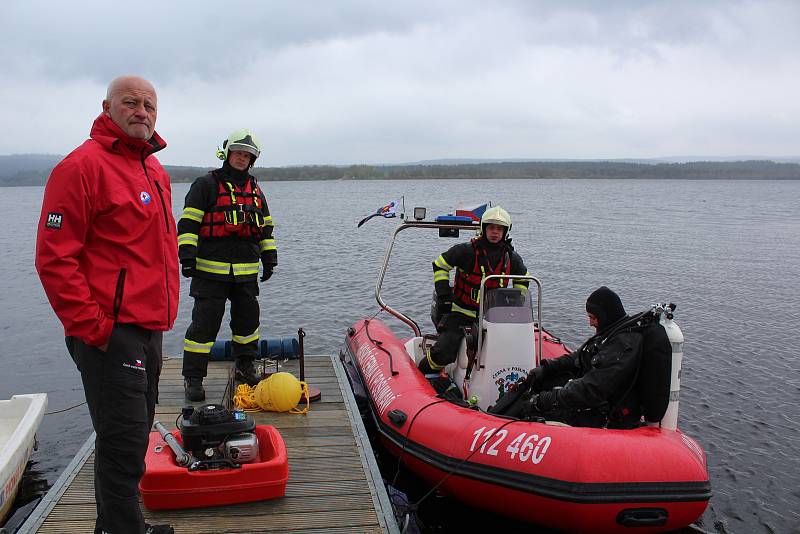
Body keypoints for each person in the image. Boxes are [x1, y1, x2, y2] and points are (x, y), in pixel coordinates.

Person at [35, 76, 177, 534]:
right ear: (107, 107)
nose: (142, 111)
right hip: (109, 332)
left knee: (133, 441)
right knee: (123, 445)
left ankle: (115, 526)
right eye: (131, 103)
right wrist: (96, 328)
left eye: (149, 104)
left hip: (148, 327)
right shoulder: (80, 168)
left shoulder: (154, 171)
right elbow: (54, 258)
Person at [178, 129, 277, 401]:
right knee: (203, 327)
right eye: (238, 153)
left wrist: (270, 259)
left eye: (247, 156)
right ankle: (194, 378)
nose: (242, 159)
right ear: (227, 154)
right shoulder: (205, 185)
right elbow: (188, 224)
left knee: (248, 324)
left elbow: (266, 230)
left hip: (246, 273)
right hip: (209, 273)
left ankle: (245, 366)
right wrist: (186, 256)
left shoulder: (256, 191)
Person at [420, 206, 529, 376]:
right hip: (461, 314)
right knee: (445, 351)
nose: (495, 232)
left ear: (505, 231)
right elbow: (440, 265)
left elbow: (523, 280)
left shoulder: (511, 257)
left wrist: (516, 303)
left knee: (511, 349)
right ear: (483, 228)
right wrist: (443, 293)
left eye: (499, 229)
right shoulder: (466, 251)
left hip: (493, 317)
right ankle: (423, 371)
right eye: (491, 227)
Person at [521, 286, 643, 429]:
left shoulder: (621, 347)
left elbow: (591, 389)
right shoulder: (611, 333)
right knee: (542, 384)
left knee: (536, 413)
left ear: (604, 316)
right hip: (596, 400)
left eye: (593, 318)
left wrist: (543, 401)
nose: (590, 323)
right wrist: (547, 367)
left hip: (607, 414)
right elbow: (580, 356)